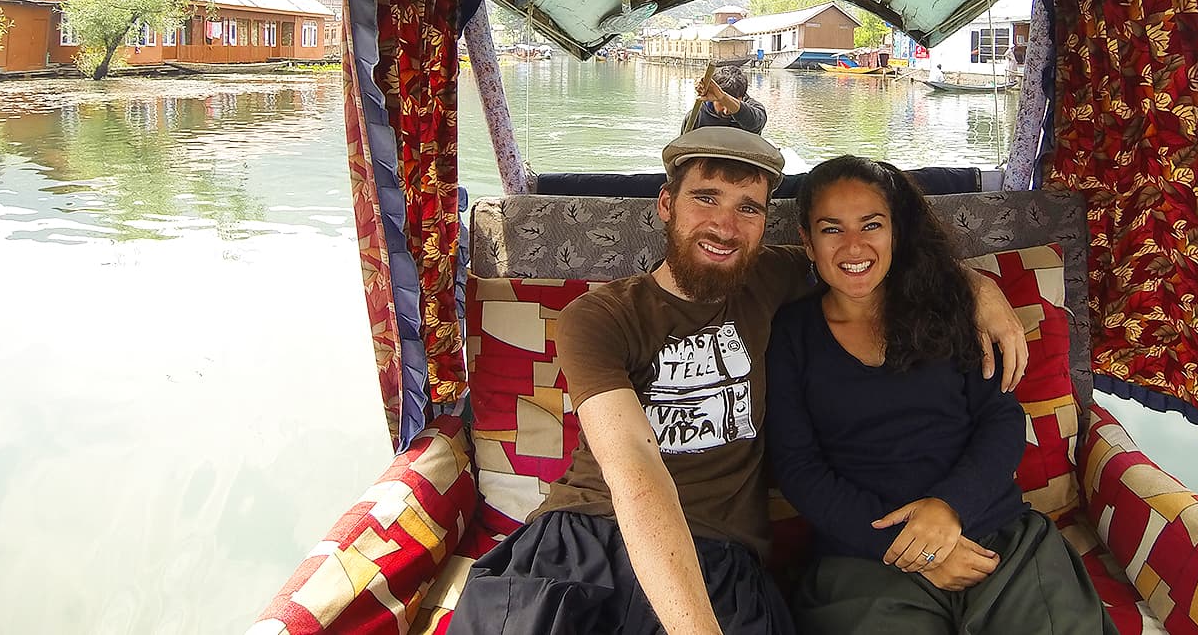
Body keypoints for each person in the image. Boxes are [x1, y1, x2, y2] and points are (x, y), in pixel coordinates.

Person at [448, 128, 1029, 635]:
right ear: (665, 205)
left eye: (748, 208)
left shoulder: (773, 278)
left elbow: (868, 259)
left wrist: (978, 287)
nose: (725, 226)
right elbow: (633, 471)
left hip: (720, 552)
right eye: (706, 199)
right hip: (587, 533)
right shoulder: (600, 317)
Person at [767, 156, 1118, 635]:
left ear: (895, 232)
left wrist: (949, 508)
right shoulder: (790, 334)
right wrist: (914, 547)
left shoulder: (951, 310)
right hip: (866, 557)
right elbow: (798, 468)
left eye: (872, 225)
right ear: (807, 241)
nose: (855, 246)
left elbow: (1001, 420)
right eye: (832, 230)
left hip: (992, 536)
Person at [685, 65, 767, 134]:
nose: (726, 111)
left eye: (729, 103)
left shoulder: (756, 111)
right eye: (721, 103)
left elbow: (754, 124)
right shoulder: (696, 116)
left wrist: (722, 97)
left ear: (742, 96)